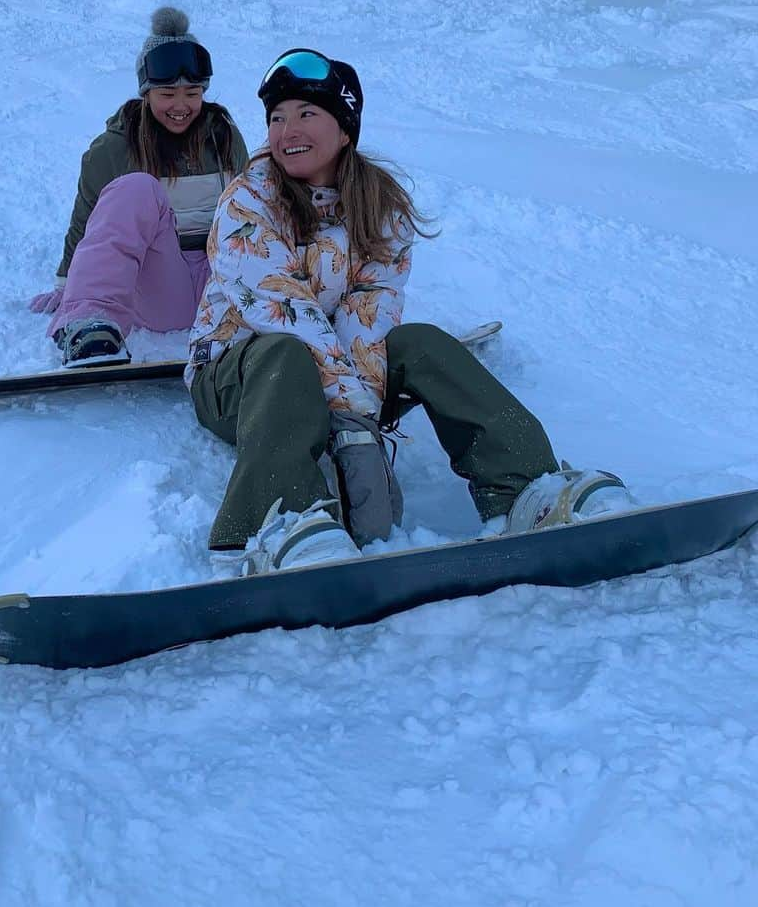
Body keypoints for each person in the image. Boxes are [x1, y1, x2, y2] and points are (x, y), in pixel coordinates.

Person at [187, 48, 634, 574]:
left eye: (306, 113)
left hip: (331, 368)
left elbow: (370, 312)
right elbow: (279, 309)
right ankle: (278, 522)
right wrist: (353, 420)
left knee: (421, 342)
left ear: (345, 127)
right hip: (239, 374)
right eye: (277, 118)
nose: (287, 130)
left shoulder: (378, 206)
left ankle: (529, 488)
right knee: (285, 354)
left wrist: (354, 418)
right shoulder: (247, 200)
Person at [30, 7, 249, 367]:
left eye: (192, 93)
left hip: (222, 291)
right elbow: (89, 223)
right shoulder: (115, 147)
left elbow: (251, 208)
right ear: (145, 93)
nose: (181, 106)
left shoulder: (223, 136)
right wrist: (68, 287)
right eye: (167, 94)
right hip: (161, 287)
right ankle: (90, 324)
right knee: (137, 189)